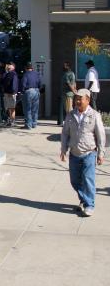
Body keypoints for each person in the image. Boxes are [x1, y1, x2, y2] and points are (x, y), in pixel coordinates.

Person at [60, 89, 106, 217]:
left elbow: (101, 136)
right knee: (75, 181)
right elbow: (65, 133)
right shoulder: (70, 115)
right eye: (76, 99)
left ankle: (89, 205)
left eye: (81, 99)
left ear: (88, 100)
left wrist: (101, 154)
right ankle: (84, 199)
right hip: (74, 153)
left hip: (89, 153)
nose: (78, 101)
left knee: (88, 179)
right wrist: (63, 150)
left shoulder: (94, 115)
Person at [21, 63, 41, 130]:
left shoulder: (26, 74)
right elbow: (39, 82)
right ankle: (34, 124)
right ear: (32, 68)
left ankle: (28, 125)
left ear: (26, 68)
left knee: (27, 109)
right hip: (36, 91)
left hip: (29, 91)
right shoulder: (36, 74)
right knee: (35, 109)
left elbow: (23, 84)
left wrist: (22, 91)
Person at [1, 63, 20, 127]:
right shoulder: (8, 74)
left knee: (12, 108)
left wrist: (12, 92)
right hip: (7, 93)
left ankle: (12, 121)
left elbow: (14, 84)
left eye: (10, 66)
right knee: (9, 108)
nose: (9, 66)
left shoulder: (13, 74)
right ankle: (11, 121)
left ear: (13, 67)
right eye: (8, 66)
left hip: (11, 93)